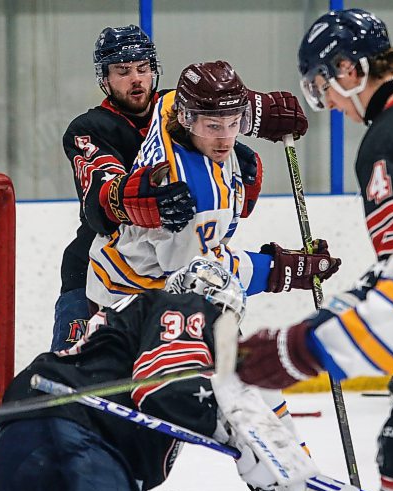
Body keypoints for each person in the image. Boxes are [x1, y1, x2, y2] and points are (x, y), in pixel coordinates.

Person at [236, 8, 393, 491]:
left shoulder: (391, 136)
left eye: (322, 88)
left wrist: (306, 344)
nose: (331, 105)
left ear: (348, 69)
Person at [54, 24, 310, 352]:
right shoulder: (90, 128)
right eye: (122, 71)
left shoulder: (180, 110)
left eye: (143, 69)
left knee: (201, 380)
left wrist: (258, 114)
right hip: (102, 273)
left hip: (177, 269)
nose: (136, 79)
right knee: (74, 375)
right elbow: (102, 197)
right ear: (104, 79)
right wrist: (137, 198)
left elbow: (222, 105)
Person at [0, 258, 309, 491]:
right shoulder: (186, 306)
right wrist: (237, 434)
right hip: (73, 440)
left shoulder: (140, 326)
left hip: (16, 450)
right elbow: (162, 387)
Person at [86, 59, 340, 311]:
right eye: (213, 126)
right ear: (187, 118)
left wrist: (259, 111)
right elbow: (199, 278)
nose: (225, 140)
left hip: (122, 266)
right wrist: (282, 269)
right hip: (132, 300)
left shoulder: (166, 110)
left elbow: (189, 95)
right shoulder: (194, 196)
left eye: (235, 123)